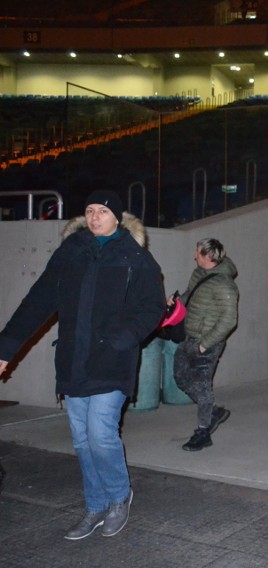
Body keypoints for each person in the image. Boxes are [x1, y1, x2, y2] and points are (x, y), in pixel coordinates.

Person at [0, 190, 165, 540]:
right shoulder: (71, 252)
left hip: (113, 360)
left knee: (100, 434)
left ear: (116, 217)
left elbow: (152, 307)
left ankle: (120, 497)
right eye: (89, 210)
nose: (94, 217)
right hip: (74, 360)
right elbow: (38, 301)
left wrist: (125, 336)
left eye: (102, 211)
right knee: (80, 439)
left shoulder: (135, 258)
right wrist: (6, 349)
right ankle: (96, 505)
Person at [172, 238, 239, 452]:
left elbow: (229, 320)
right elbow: (188, 295)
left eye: (198, 253)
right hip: (188, 337)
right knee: (181, 378)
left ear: (208, 257)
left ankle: (203, 432)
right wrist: (175, 304)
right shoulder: (198, 274)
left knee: (202, 385)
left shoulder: (225, 284)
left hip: (208, 342)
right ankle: (213, 412)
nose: (194, 256)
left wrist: (205, 344)